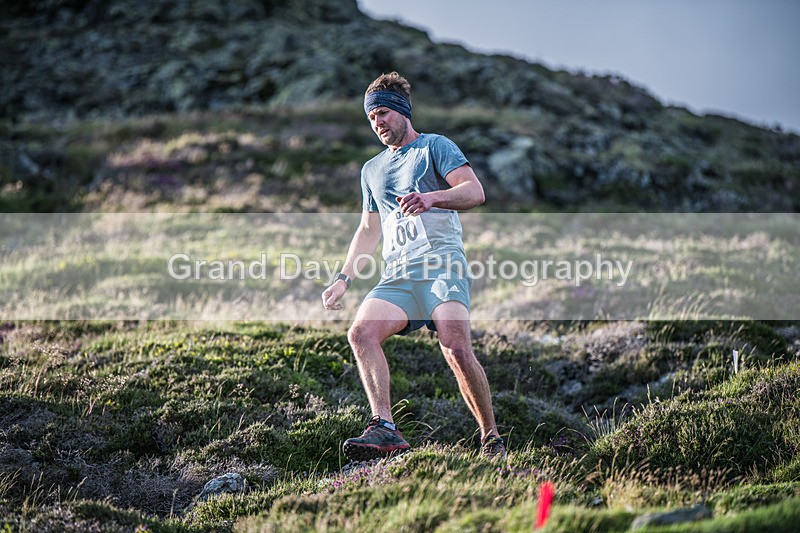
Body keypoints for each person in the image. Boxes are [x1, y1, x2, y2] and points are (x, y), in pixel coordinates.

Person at [321, 72, 505, 461]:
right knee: (361, 334)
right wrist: (343, 279)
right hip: (399, 275)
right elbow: (368, 229)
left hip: (441, 265)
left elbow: (474, 191)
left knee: (455, 348)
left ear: (402, 111)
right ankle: (385, 427)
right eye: (371, 118)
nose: (377, 123)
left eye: (383, 113)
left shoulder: (435, 146)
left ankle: (491, 438)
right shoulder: (371, 170)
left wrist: (432, 198)